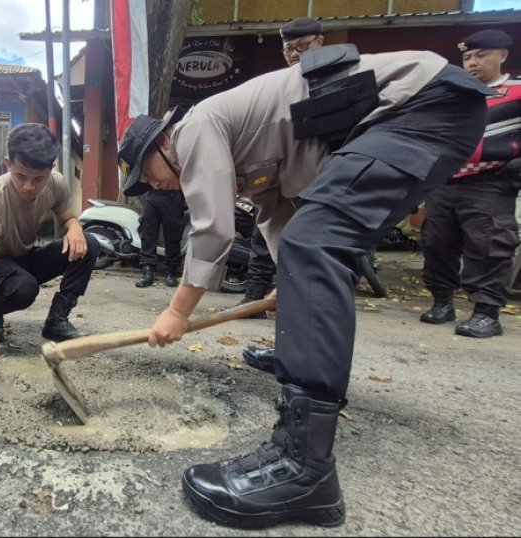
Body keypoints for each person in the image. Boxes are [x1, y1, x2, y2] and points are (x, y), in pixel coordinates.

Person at [121, 45, 491, 527]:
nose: (154, 187)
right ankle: (306, 432)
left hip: (421, 105)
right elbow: (280, 219)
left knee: (314, 242)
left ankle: (304, 466)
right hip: (433, 112)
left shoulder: (196, 127)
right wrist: (292, 288)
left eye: (146, 176)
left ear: (161, 146)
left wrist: (177, 312)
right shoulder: (242, 155)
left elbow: (213, 230)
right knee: (309, 239)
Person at [0, 123, 100, 367]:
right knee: (24, 288)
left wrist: (75, 227)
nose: (29, 186)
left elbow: (67, 216)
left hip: (26, 257)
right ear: (8, 163)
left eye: (39, 179)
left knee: (89, 243)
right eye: (21, 176)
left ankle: (57, 322)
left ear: (51, 169)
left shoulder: (56, 183)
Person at [419, 29, 521, 338]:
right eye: (467, 57)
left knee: (488, 245)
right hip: (444, 181)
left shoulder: (517, 91)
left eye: (480, 55)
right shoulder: (453, 93)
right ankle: (442, 303)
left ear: (502, 56)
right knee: (437, 243)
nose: (472, 63)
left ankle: (487, 313)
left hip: (491, 182)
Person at [238, 17, 327, 369]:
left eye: (301, 48)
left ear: (319, 42)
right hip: (283, 182)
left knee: (312, 266)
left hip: (322, 185)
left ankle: (305, 359)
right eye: (289, 49)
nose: (294, 55)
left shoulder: (334, 75)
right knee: (272, 247)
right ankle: (276, 329)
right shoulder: (283, 85)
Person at [120, 110, 188, 288]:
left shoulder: (196, 150)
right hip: (152, 199)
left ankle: (172, 270)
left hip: (174, 197)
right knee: (148, 232)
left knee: (173, 233)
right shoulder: (153, 185)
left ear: (163, 142)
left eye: (148, 173)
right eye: (145, 178)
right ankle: (147, 270)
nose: (154, 183)